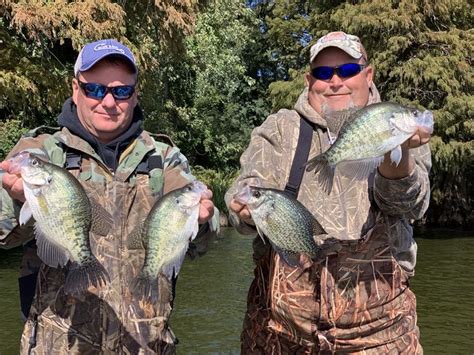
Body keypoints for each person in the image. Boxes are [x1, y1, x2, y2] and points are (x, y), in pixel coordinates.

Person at [0, 39, 219, 354]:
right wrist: (18, 198)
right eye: (95, 89)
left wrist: (203, 219)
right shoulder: (41, 152)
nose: (108, 101)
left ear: (134, 96)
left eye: (121, 91)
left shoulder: (165, 159)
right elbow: (3, 233)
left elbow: (205, 241)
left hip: (146, 346)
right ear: (76, 89)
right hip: (61, 346)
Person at [226, 31, 431, 353]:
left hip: (381, 336)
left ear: (368, 73)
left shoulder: (398, 121)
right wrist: (244, 212)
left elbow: (410, 205)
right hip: (279, 334)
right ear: (310, 80)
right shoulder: (280, 129)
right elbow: (243, 194)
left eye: (347, 71)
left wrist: (399, 151)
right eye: (324, 73)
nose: (335, 81)